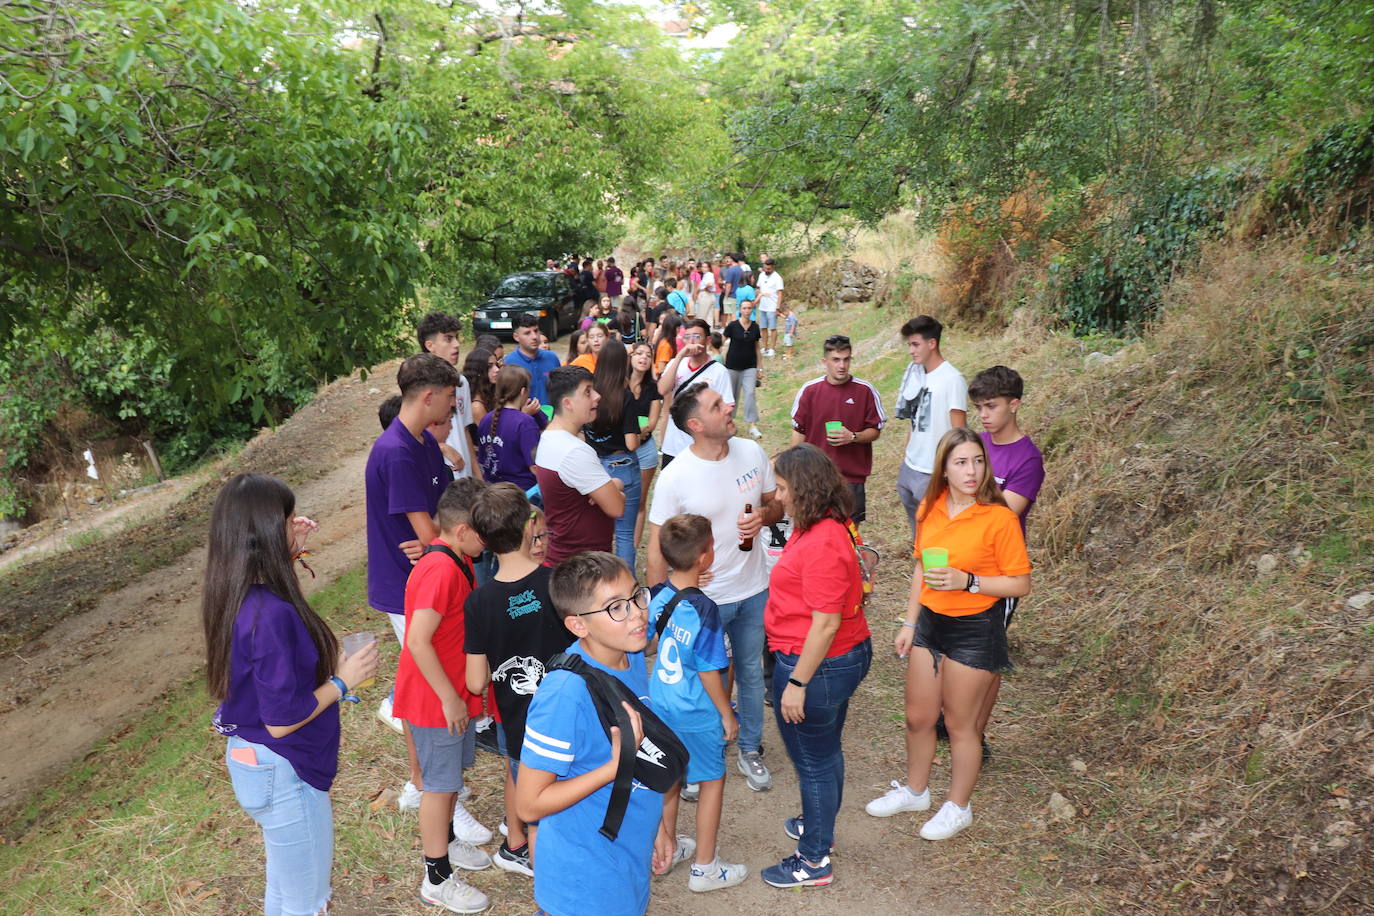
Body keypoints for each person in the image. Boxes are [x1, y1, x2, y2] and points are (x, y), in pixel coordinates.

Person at [206, 473, 380, 916]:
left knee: (284, 889)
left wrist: (289, 551)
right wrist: (342, 682)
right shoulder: (269, 615)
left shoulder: (237, 595)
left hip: (251, 759)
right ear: (264, 533)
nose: (295, 525)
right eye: (287, 521)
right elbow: (283, 719)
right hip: (282, 767)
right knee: (308, 901)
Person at [867, 428, 1030, 841]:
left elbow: (1019, 583)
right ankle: (916, 790)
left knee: (961, 726)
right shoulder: (931, 507)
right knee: (918, 717)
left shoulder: (998, 517)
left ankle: (959, 807)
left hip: (975, 630)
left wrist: (969, 581)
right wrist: (909, 621)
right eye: (961, 462)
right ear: (944, 468)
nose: (972, 470)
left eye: (978, 461)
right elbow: (922, 567)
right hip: (930, 625)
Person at [516, 552, 677, 916]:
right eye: (616, 608)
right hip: (585, 884)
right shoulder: (564, 697)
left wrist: (660, 825)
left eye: (637, 596)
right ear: (578, 625)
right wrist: (614, 768)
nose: (637, 612)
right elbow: (528, 803)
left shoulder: (628, 654)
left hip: (626, 862)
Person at [647, 382, 783, 792]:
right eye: (716, 405)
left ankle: (749, 747)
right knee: (702, 679)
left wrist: (764, 514)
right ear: (696, 424)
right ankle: (702, 749)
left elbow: (777, 504)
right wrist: (664, 603)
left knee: (752, 674)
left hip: (754, 588)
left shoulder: (752, 452)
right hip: (703, 604)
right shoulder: (675, 477)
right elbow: (657, 546)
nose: (728, 407)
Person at [760, 444, 872, 888]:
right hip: (834, 658)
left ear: (803, 489)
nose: (778, 497)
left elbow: (824, 625)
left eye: (783, 488)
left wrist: (797, 682)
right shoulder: (824, 525)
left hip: (819, 664)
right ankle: (818, 825)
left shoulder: (824, 540)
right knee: (825, 751)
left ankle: (813, 861)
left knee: (813, 761)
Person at [465, 483, 575, 878]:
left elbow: (475, 682)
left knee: (536, 809)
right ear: (530, 529)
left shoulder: (477, 602)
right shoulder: (557, 581)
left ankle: (544, 881)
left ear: (481, 538)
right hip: (569, 718)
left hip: (519, 729)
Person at [394, 478, 494, 913]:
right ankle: (435, 876)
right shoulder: (439, 569)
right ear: (460, 531)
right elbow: (417, 640)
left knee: (450, 781)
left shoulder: (458, 559)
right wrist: (450, 700)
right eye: (483, 530)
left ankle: (449, 844)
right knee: (438, 787)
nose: (488, 539)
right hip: (436, 702)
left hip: (450, 695)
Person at [650, 514, 748, 892]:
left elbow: (646, 641)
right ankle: (705, 867)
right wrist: (728, 713)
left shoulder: (658, 592)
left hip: (661, 702)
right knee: (712, 780)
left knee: (669, 778)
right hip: (695, 710)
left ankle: (665, 847)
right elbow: (710, 671)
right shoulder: (706, 611)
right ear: (705, 557)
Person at [365, 353, 457, 746]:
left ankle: (424, 783)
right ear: (429, 397)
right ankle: (428, 785)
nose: (453, 404)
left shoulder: (424, 444)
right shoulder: (396, 452)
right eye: (451, 396)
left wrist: (437, 537)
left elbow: (443, 521)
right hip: (405, 586)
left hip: (427, 575)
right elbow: (431, 531)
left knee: (431, 675)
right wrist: (436, 538)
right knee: (427, 687)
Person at [968, 365, 1045, 756]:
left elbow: (1005, 513)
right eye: (979, 407)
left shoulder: (1027, 458)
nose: (983, 414)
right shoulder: (977, 446)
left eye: (991, 406)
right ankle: (957, 722)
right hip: (962, 562)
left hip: (1000, 571)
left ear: (1014, 405)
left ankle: (975, 733)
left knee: (987, 653)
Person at [789, 334, 886, 526]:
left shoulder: (865, 391)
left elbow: (875, 430)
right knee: (814, 531)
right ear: (825, 361)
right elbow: (798, 432)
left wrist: (853, 436)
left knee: (850, 534)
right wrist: (793, 473)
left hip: (851, 478)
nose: (841, 365)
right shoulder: (809, 391)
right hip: (815, 477)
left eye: (846, 359)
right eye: (836, 360)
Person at [535, 366, 625, 565]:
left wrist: (612, 485)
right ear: (567, 403)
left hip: (568, 556)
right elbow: (617, 507)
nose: (597, 396)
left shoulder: (550, 437)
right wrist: (617, 485)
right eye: (587, 392)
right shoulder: (574, 451)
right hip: (582, 565)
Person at [894, 315, 968, 543]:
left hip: (933, 471)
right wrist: (906, 457)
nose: (911, 350)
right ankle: (923, 574)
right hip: (911, 467)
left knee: (939, 536)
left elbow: (960, 433)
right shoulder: (917, 374)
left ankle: (939, 577)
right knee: (919, 537)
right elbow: (913, 421)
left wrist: (952, 474)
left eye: (915, 344)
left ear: (932, 343)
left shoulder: (952, 379)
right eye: (909, 344)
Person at [583, 338, 642, 573]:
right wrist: (642, 433)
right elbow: (631, 442)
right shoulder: (625, 396)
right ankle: (627, 587)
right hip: (622, 466)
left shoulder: (589, 393)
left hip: (594, 467)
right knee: (625, 534)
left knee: (599, 530)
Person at [657, 318, 735, 469]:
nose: (692, 341)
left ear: (708, 340)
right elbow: (662, 389)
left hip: (703, 447)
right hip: (673, 445)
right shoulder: (676, 364)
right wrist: (679, 357)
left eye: (697, 336)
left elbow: (727, 409)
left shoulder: (719, 371)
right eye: (688, 337)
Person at [418, 313, 479, 480]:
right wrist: (442, 447)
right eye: (448, 339)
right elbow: (412, 436)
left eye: (457, 338)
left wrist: (477, 475)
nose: (457, 344)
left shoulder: (462, 382)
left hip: (465, 477)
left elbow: (464, 429)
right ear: (430, 345)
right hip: (439, 475)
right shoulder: (418, 386)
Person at [476, 365, 540, 492]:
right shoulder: (525, 422)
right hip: (522, 492)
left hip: (494, 491)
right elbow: (535, 467)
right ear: (523, 392)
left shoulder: (486, 419)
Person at [626, 342, 663, 550]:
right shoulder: (619, 384)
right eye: (639, 353)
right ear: (630, 357)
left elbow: (651, 423)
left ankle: (632, 546)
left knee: (639, 501)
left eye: (648, 355)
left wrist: (632, 434)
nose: (643, 358)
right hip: (618, 449)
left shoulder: (653, 388)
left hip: (644, 449)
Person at [722, 305, 763, 439]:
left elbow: (757, 348)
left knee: (750, 393)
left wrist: (760, 367)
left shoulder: (755, 327)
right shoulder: (733, 326)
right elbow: (721, 342)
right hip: (732, 366)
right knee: (731, 396)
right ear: (740, 310)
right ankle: (729, 423)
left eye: (749, 308)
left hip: (749, 366)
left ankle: (752, 425)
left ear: (752, 310)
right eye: (744, 308)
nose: (747, 311)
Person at [505, 314, 560, 408]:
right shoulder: (509, 363)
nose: (534, 336)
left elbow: (561, 389)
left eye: (536, 331)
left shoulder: (552, 357)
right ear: (516, 337)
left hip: (554, 418)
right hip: (525, 419)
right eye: (527, 333)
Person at [756, 258, 785, 357]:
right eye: (765, 268)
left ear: (773, 267)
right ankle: (765, 347)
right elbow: (758, 288)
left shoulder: (777, 278)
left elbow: (780, 293)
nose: (766, 270)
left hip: (772, 306)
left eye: (768, 269)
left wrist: (778, 307)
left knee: (772, 328)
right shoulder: (761, 275)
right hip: (763, 306)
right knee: (763, 327)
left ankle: (772, 348)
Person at [462, 348, 498, 426]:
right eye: (490, 366)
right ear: (478, 370)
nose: (497, 369)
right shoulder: (477, 406)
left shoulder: (490, 393)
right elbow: (491, 434)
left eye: (496, 364)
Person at [719, 254, 742, 328]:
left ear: (732, 259)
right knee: (736, 313)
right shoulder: (740, 269)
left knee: (731, 315)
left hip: (731, 295)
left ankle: (731, 331)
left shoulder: (731, 270)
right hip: (738, 295)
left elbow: (728, 284)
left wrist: (726, 296)